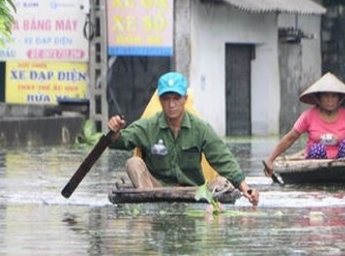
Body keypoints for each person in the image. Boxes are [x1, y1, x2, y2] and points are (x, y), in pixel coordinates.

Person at [107, 72, 259, 206]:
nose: (171, 104)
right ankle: (148, 205)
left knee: (222, 183)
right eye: (166, 99)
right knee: (133, 163)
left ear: (185, 99)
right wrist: (114, 132)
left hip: (195, 189)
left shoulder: (200, 128)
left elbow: (223, 158)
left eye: (176, 98)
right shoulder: (149, 126)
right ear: (160, 100)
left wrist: (246, 188)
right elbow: (122, 140)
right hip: (155, 188)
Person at [263, 72, 345, 176]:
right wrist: (271, 159)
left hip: (342, 161)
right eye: (326, 96)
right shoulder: (308, 116)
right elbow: (290, 138)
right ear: (319, 98)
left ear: (339, 99)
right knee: (318, 149)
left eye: (333, 96)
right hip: (315, 160)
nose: (330, 100)